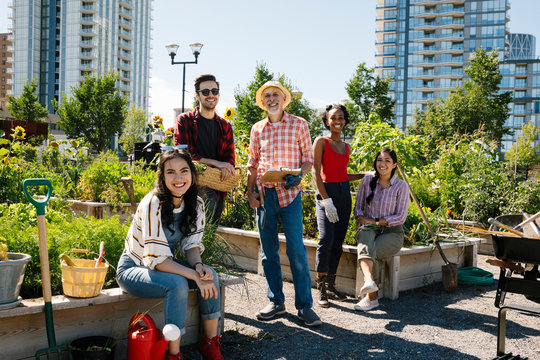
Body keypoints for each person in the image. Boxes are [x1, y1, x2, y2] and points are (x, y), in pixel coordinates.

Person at [116, 149, 224, 360]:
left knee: (211, 274)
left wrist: (198, 267)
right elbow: (156, 258)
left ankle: (210, 342)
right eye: (170, 172)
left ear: (192, 175)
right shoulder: (152, 203)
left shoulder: (196, 204)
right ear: (162, 177)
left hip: (164, 265)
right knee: (177, 284)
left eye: (184, 171)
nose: (178, 178)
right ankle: (174, 354)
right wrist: (192, 276)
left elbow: (191, 246)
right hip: (133, 268)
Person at [246, 80, 322, 327]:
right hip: (266, 196)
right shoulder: (257, 129)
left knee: (296, 251)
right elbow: (253, 164)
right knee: (268, 253)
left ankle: (304, 306)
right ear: (262, 101)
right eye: (266, 95)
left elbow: (308, 160)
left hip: (290, 196)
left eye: (275, 94)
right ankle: (276, 302)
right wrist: (250, 192)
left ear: (284, 98)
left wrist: (298, 175)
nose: (271, 98)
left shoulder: (300, 124)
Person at [312, 104, 364, 307]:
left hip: (343, 195)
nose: (337, 121)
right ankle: (321, 289)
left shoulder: (346, 146)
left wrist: (363, 175)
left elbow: (342, 175)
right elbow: (316, 172)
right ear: (327, 121)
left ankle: (331, 285)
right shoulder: (321, 142)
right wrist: (325, 200)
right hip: (327, 194)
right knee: (326, 239)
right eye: (333, 118)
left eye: (341, 118)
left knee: (338, 241)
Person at [174, 74, 235, 225]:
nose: (211, 95)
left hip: (218, 187)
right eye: (205, 92)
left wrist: (227, 166)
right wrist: (217, 163)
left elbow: (230, 158)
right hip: (190, 188)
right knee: (191, 234)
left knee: (210, 236)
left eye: (214, 91)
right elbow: (183, 154)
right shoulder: (185, 120)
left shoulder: (225, 126)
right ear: (197, 95)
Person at [352, 148, 409, 312]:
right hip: (368, 229)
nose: (382, 164)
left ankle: (371, 296)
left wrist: (376, 221)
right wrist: (360, 218)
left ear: (394, 165)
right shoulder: (367, 180)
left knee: (370, 249)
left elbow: (400, 217)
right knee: (365, 236)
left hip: (392, 232)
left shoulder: (401, 186)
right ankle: (370, 283)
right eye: (380, 160)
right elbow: (358, 207)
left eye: (387, 161)